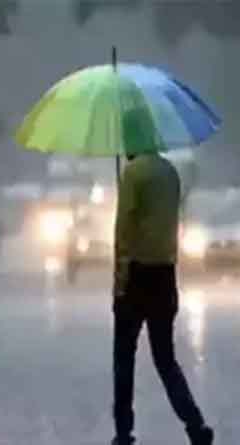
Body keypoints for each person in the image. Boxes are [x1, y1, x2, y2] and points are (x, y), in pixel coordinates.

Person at [111, 151, 213, 445]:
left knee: (123, 359)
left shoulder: (132, 174)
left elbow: (124, 232)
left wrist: (119, 282)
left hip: (136, 276)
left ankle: (123, 432)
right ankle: (195, 425)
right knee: (166, 360)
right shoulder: (170, 172)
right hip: (165, 276)